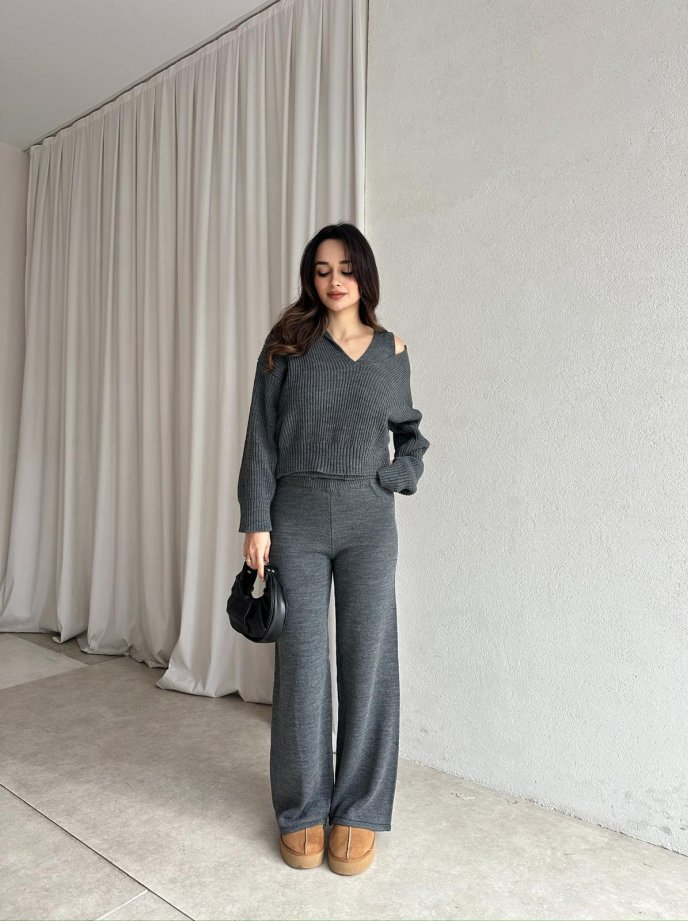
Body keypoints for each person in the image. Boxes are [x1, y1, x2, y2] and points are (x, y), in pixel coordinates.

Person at [237, 222, 430, 875]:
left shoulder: (392, 351)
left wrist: (398, 475)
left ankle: (359, 810)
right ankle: (301, 809)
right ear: (310, 278)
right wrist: (256, 519)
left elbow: (410, 435)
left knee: (368, 661)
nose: (334, 280)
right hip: (295, 518)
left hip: (368, 521)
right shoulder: (287, 345)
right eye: (322, 270)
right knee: (301, 665)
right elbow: (260, 439)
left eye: (345, 268)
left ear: (363, 274)